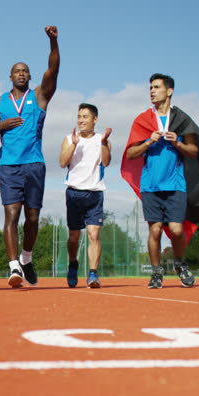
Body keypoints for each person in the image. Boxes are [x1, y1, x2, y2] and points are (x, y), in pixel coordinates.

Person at [0, 25, 60, 288]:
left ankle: (26, 258)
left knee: (32, 218)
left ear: (29, 76)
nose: (21, 74)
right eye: (17, 71)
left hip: (34, 164)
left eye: (25, 71)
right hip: (8, 165)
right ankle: (13, 267)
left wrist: (53, 43)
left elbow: (53, 70)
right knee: (11, 215)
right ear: (10, 76)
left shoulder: (39, 96)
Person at [122, 73, 199, 289]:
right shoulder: (142, 120)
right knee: (155, 230)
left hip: (175, 184)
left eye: (157, 87)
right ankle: (156, 271)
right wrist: (148, 142)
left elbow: (193, 150)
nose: (152, 91)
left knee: (177, 230)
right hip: (150, 184)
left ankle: (180, 263)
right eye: (150, 87)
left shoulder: (182, 119)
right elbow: (131, 153)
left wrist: (177, 143)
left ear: (169, 91)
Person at [58, 103, 112, 288]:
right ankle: (73, 263)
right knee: (74, 236)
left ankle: (93, 274)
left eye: (85, 116)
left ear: (95, 119)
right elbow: (62, 162)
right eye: (79, 116)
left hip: (95, 193)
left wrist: (104, 143)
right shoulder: (68, 138)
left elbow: (106, 161)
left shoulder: (101, 139)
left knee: (93, 234)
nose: (81, 120)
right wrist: (73, 144)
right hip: (73, 192)